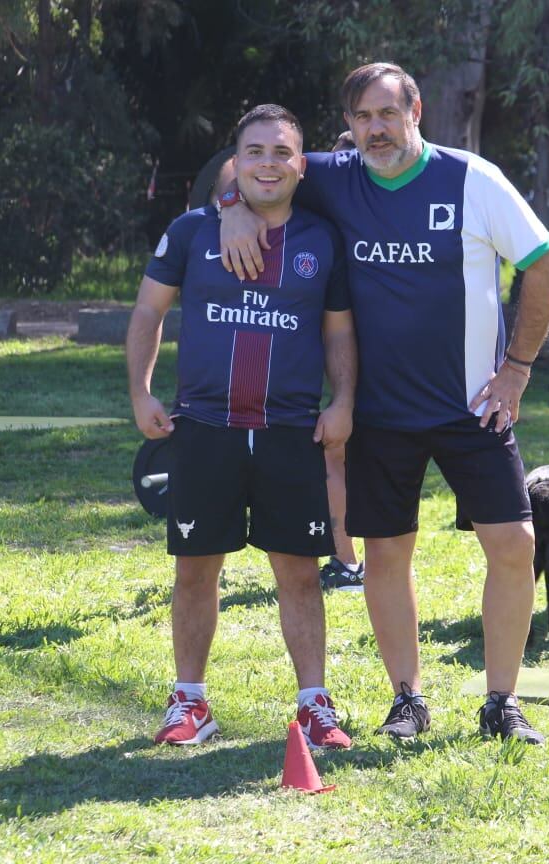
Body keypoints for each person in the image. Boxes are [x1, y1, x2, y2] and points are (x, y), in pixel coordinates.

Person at [220, 63, 549, 744]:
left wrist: (516, 370)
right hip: (379, 410)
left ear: (416, 112)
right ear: (347, 127)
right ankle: (407, 699)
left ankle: (503, 701)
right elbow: (245, 167)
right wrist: (233, 209)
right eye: (360, 117)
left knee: (515, 544)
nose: (374, 129)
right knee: (385, 556)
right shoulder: (335, 175)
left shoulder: (471, 178)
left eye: (386, 113)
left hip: (474, 407)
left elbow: (545, 264)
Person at [126, 104, 358, 750]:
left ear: (300, 165)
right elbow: (149, 312)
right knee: (196, 570)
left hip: (289, 430)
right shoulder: (192, 231)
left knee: (301, 573)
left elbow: (338, 329)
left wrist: (342, 402)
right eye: (254, 152)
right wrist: (141, 391)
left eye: (281, 153)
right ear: (236, 162)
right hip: (204, 426)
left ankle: (314, 704)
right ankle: (190, 702)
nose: (268, 164)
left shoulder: (320, 239)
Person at [317, 128, 366, 593]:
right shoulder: (324, 213)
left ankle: (349, 562)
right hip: (339, 344)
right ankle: (348, 558)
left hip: (366, 348)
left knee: (339, 455)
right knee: (339, 454)